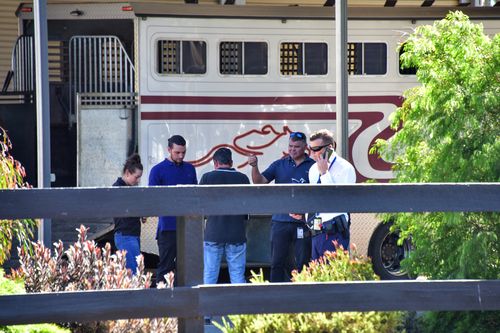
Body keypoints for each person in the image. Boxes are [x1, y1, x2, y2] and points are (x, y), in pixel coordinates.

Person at [248, 131, 315, 282]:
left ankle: (302, 294)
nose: (292, 149)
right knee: (277, 262)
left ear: (305, 147)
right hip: (280, 221)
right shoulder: (279, 164)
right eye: (290, 146)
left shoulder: (313, 167)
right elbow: (259, 182)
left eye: (296, 146)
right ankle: (275, 296)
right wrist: (254, 166)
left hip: (303, 223)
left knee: (303, 262)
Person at [149, 135, 197, 284]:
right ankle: (163, 301)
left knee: (189, 267)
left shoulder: (190, 169)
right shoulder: (157, 170)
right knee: (166, 266)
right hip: (167, 227)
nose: (181, 156)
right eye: (177, 152)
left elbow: (195, 195)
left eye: (183, 152)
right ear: (169, 149)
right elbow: (152, 199)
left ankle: (185, 300)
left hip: (188, 227)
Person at [200, 148, 250, 285]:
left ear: (215, 162)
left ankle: (208, 305)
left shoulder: (207, 178)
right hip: (237, 233)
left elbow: (200, 206)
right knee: (238, 276)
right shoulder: (243, 178)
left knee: (210, 274)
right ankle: (239, 305)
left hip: (213, 233)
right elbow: (247, 210)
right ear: (231, 162)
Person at [307, 129, 356, 260]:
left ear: (329, 147)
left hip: (335, 232)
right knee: (316, 277)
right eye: (310, 149)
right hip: (316, 231)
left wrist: (324, 174)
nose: (312, 153)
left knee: (334, 276)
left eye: (316, 149)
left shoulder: (345, 168)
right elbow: (315, 199)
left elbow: (339, 201)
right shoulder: (312, 169)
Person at [113, 153, 144, 274]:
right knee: (133, 272)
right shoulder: (118, 188)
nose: (138, 180)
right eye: (136, 177)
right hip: (125, 234)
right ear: (127, 173)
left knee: (133, 271)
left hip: (131, 234)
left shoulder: (128, 188)